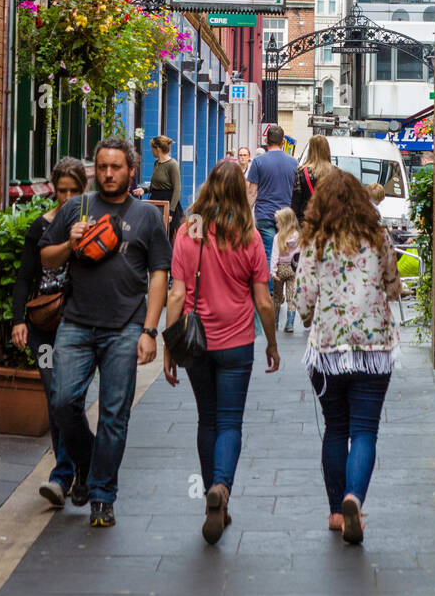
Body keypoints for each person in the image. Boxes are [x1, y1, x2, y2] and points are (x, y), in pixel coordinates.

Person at [41, 137, 171, 528]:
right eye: (101, 167)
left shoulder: (147, 216)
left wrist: (150, 330)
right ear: (93, 170)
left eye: (116, 167)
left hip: (125, 328)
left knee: (115, 415)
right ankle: (86, 462)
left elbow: (160, 274)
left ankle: (102, 496)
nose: (108, 174)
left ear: (131, 171)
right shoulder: (76, 208)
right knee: (63, 402)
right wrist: (70, 242)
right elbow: (46, 258)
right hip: (76, 324)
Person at [164, 160, 280, 544]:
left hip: (196, 343)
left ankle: (213, 502)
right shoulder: (248, 236)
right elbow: (263, 301)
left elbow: (177, 293)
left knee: (207, 420)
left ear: (208, 187)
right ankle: (222, 490)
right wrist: (272, 343)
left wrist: (169, 346)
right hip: (236, 343)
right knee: (230, 422)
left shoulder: (187, 231)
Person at [295, 169, 402, 543]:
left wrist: (310, 317)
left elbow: (304, 300)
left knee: (336, 429)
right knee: (365, 431)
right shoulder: (378, 237)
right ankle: (354, 496)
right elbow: (393, 285)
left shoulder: (315, 242)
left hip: (327, 352)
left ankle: (336, 512)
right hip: (374, 350)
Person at [11, 157, 87, 509]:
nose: (66, 197)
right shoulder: (40, 227)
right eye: (62, 191)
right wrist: (18, 320)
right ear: (53, 189)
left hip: (78, 327)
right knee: (55, 394)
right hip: (44, 327)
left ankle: (76, 469)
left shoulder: (91, 226)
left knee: (69, 400)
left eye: (73, 191)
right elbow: (25, 276)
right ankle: (64, 474)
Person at [245, 124, 297, 284]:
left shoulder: (258, 162)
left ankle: (269, 296)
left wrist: (246, 213)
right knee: (287, 257)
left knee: (268, 254)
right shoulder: (294, 163)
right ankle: (283, 292)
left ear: (266, 140)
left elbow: (252, 192)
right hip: (287, 218)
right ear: (283, 142)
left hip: (265, 215)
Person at [270, 206, 301, 334]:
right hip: (293, 270)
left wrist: (273, 271)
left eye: (277, 222)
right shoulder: (298, 236)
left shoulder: (278, 237)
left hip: (280, 270)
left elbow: (274, 256)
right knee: (291, 298)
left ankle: (275, 323)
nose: (276, 224)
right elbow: (300, 254)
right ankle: (289, 324)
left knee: (277, 297)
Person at [146, 134, 183, 238]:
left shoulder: (172, 164)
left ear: (158, 148)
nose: (151, 151)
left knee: (167, 235)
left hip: (168, 203)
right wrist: (143, 190)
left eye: (152, 148)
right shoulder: (156, 163)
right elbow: (156, 186)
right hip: (155, 202)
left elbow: (177, 189)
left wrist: (170, 212)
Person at [291, 134, 332, 224]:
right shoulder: (335, 172)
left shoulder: (301, 171)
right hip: (328, 221)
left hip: (306, 221)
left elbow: (295, 201)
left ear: (310, 150)